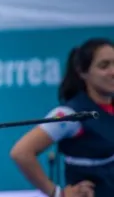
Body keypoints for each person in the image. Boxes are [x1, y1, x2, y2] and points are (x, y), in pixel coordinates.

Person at [10, 38, 114, 197]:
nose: (113, 71)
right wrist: (58, 193)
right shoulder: (70, 114)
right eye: (104, 66)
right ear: (82, 72)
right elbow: (21, 152)